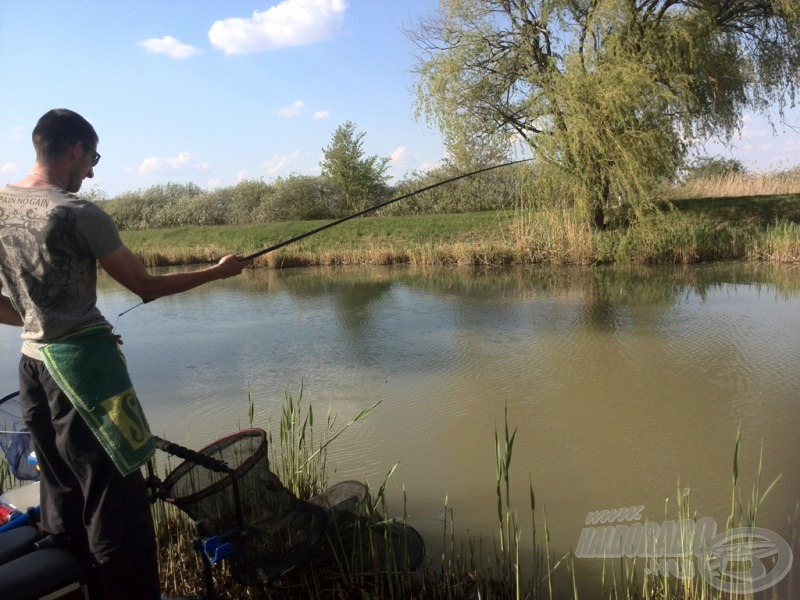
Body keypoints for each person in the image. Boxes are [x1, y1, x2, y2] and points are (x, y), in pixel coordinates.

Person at [0, 108, 250, 599]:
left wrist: (40, 323)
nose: (92, 170)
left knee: (60, 490)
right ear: (75, 149)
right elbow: (145, 286)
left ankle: (74, 579)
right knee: (115, 502)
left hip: (33, 368)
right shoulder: (79, 213)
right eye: (92, 157)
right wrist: (219, 272)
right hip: (85, 373)